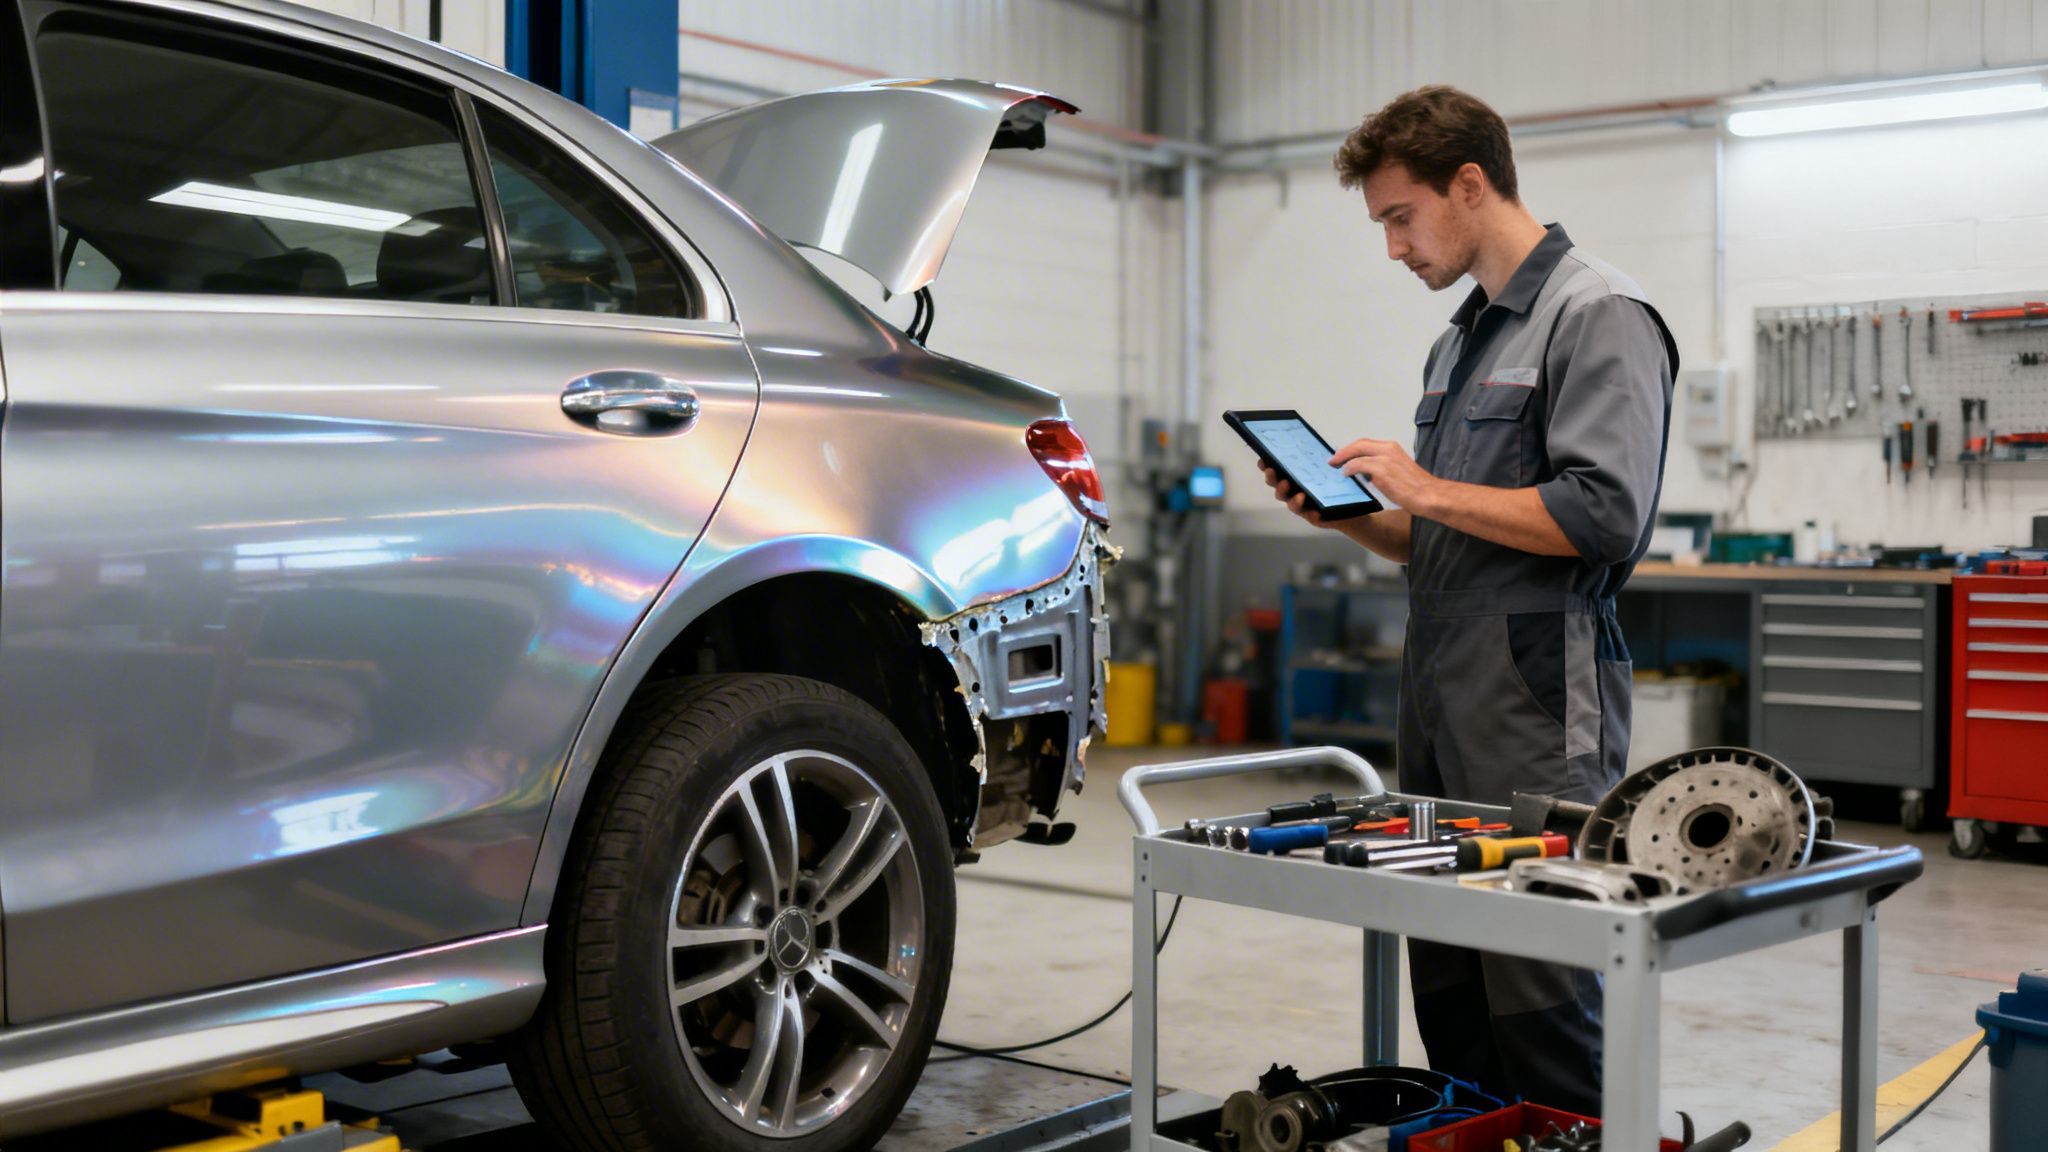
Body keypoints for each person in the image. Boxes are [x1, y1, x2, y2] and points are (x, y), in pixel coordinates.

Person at [1263, 86, 1677, 1114]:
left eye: (1399, 217)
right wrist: (1346, 514)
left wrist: (1420, 483)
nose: (1392, 247)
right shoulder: (1456, 345)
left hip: (1536, 704)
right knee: (1446, 979)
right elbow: (1433, 535)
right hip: (1439, 690)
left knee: (1538, 983)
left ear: (1468, 183)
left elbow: (1602, 517)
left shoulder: (1598, 316)